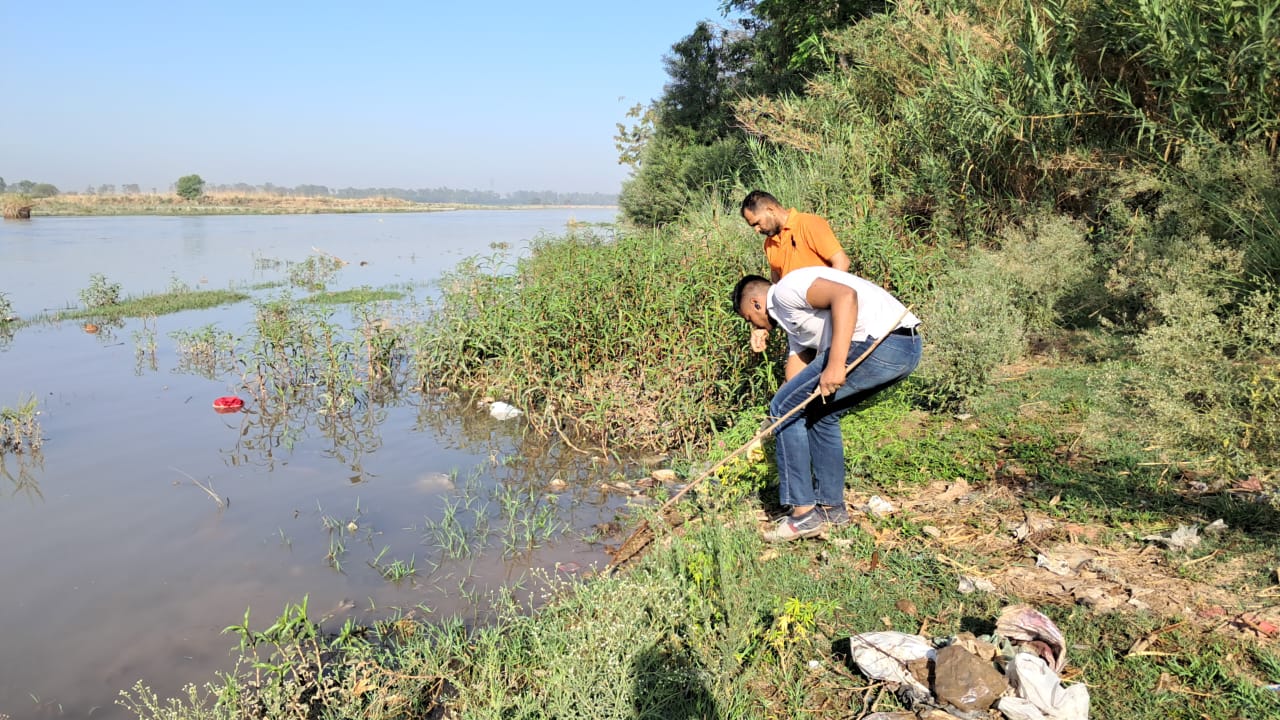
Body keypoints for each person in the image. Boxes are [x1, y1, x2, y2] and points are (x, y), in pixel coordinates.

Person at [731, 267, 921, 542]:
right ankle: (832, 510)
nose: (756, 326)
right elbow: (795, 386)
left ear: (756, 303)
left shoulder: (785, 291)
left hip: (883, 342)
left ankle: (803, 515)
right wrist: (777, 417)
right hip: (905, 349)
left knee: (785, 408)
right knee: (819, 414)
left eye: (751, 318)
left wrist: (834, 365)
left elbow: (845, 296)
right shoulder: (792, 322)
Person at [740, 190, 851, 354]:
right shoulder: (769, 245)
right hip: (803, 326)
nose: (757, 229)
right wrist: (763, 326)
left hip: (829, 317)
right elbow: (777, 290)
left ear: (770, 209)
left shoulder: (808, 224)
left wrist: (835, 307)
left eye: (757, 223)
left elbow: (841, 262)